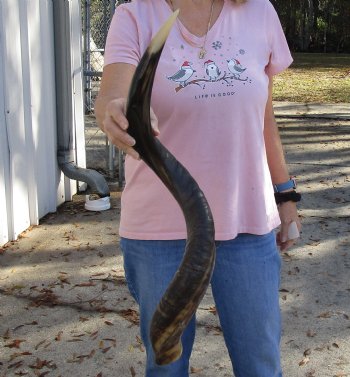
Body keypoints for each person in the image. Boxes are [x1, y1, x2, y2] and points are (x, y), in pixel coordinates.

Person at [95, 0, 302, 376]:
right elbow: (113, 94)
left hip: (247, 223)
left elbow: (264, 119)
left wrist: (285, 194)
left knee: (261, 365)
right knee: (166, 367)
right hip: (159, 232)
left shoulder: (259, 13)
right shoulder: (136, 15)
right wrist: (117, 112)